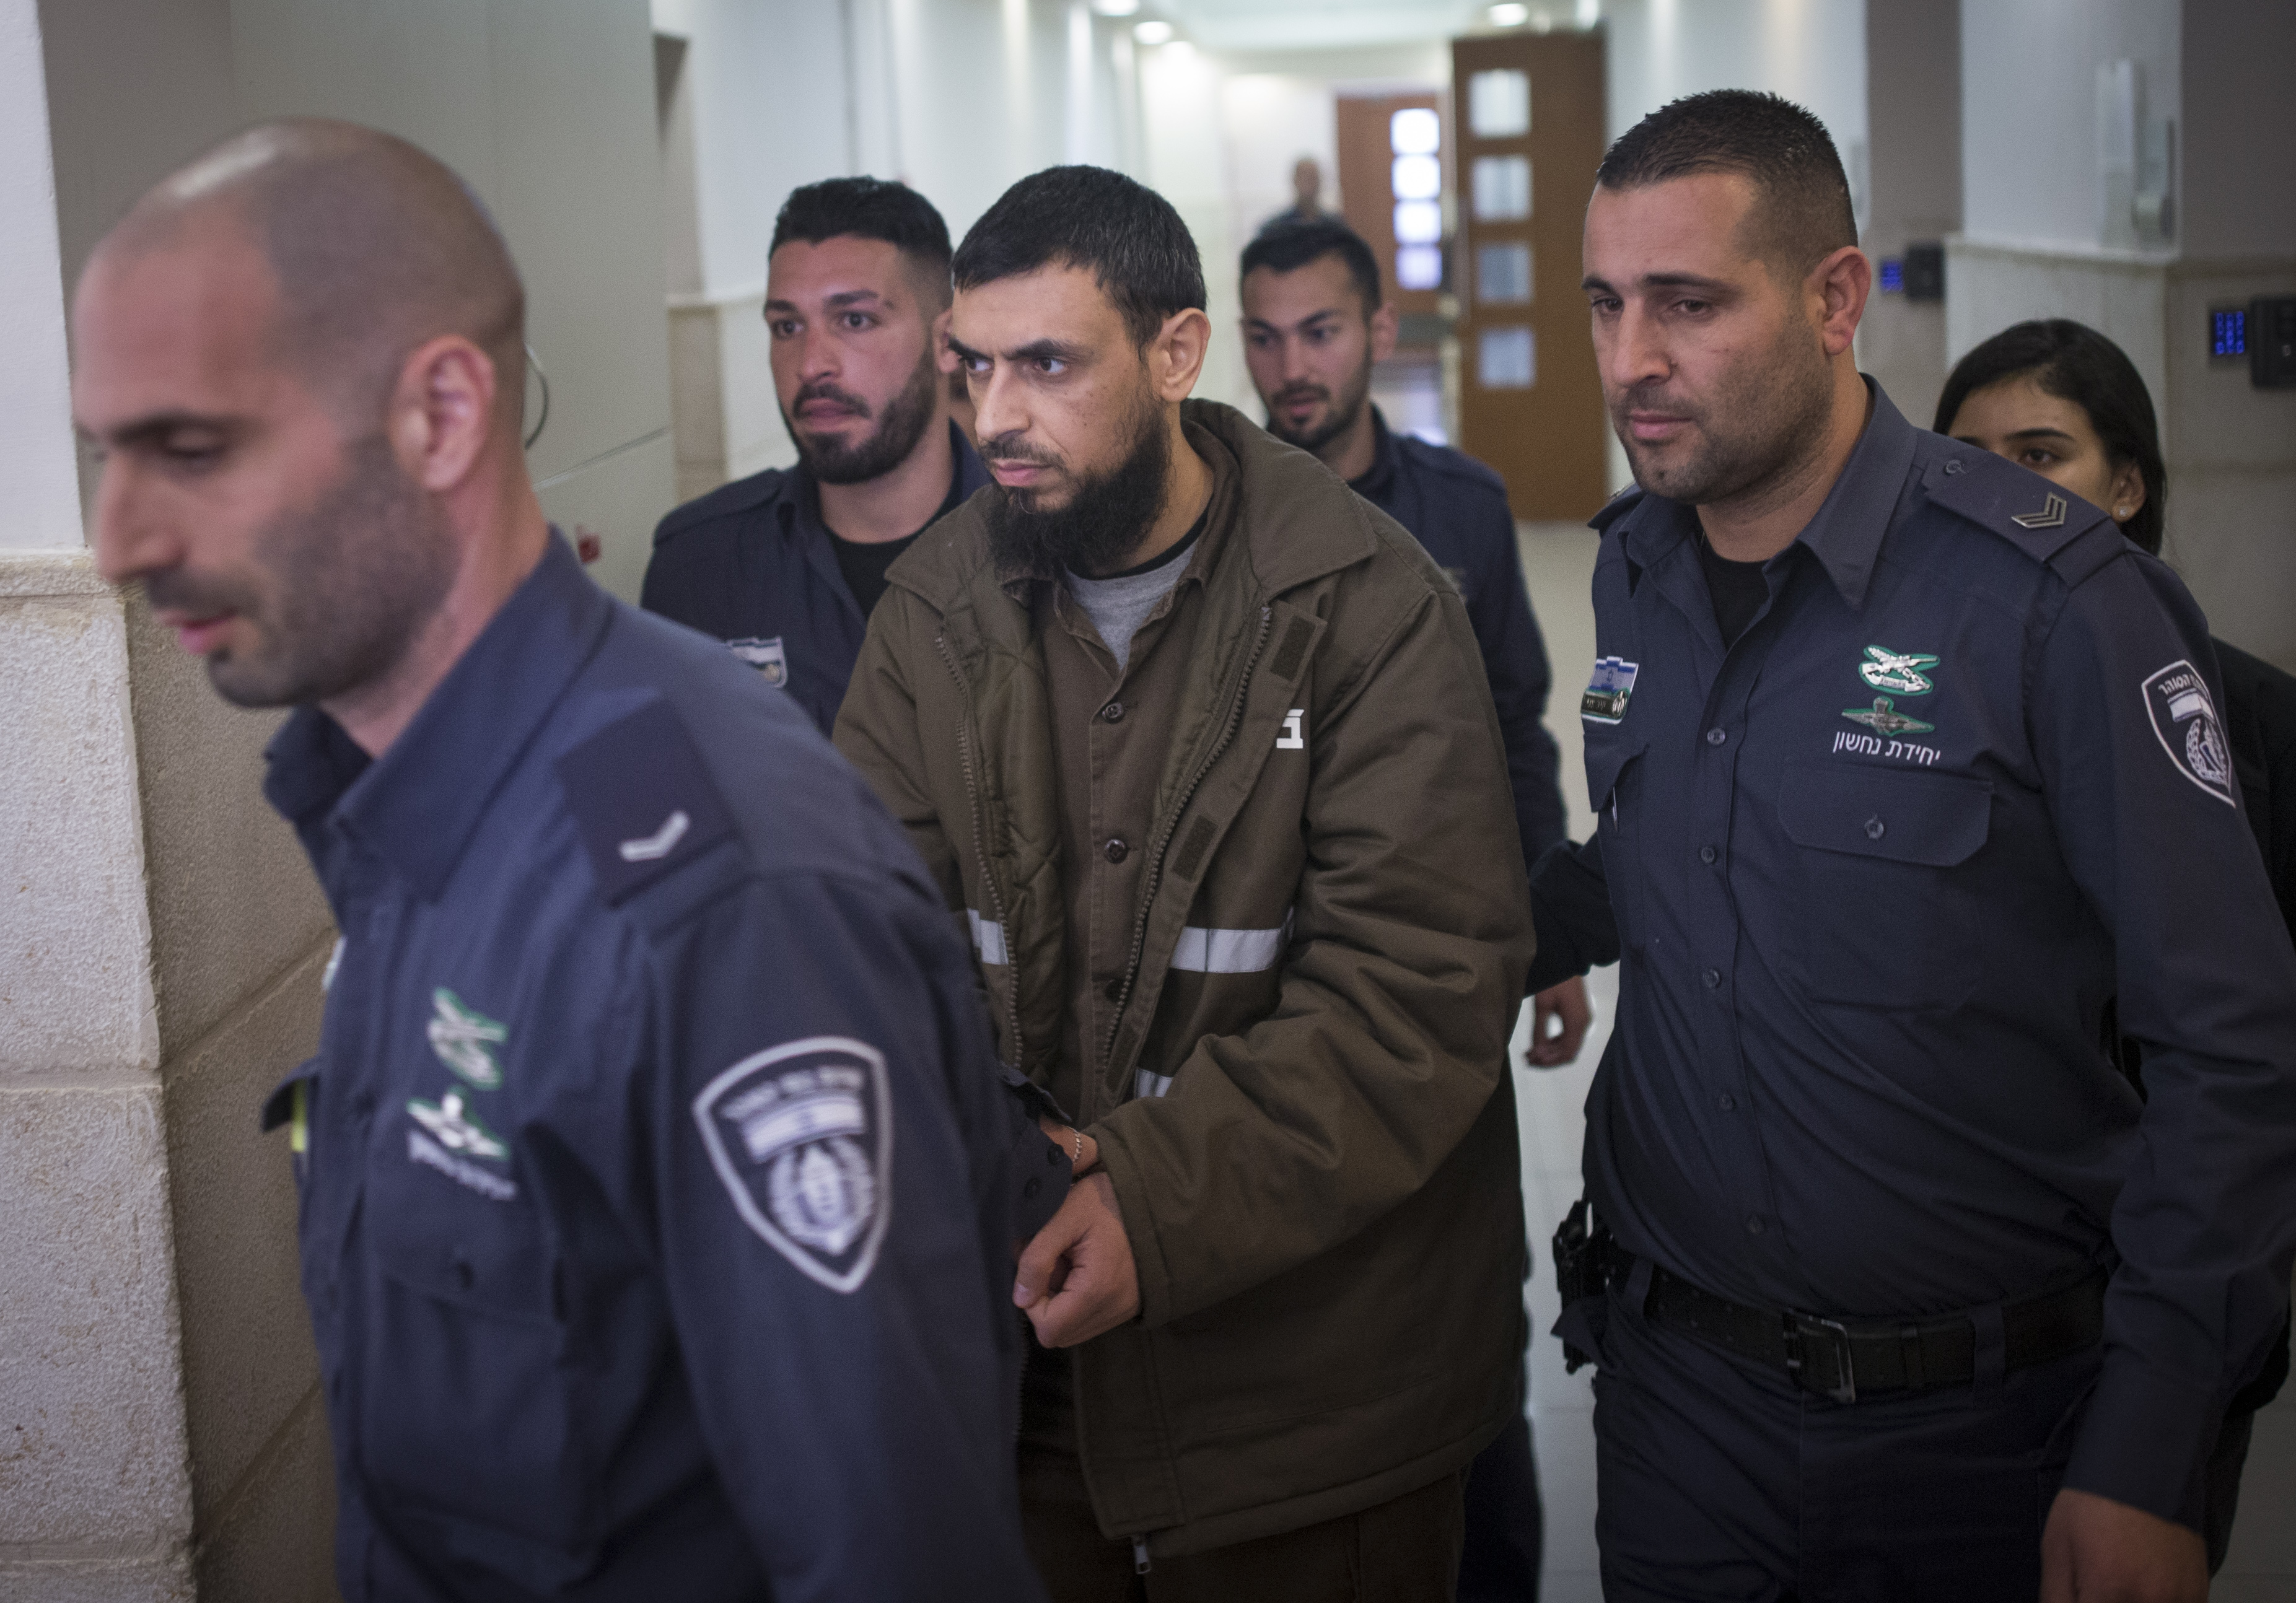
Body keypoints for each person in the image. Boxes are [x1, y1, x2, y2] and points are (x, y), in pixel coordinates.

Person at [73, 120, 1049, 1602]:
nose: (117, 540)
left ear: (442, 415)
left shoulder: (718, 898)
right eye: (109, 455)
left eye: (193, 450)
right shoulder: (410, 810)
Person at [1527, 90, 2296, 1602]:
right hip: (1679, 1408)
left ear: (1832, 299)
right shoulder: (1634, 568)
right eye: (1603, 302)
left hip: (1983, 1431)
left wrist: (2148, 1444)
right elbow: (1653, 860)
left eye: (1687, 303)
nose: (1628, 359)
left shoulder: (2051, 606)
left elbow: (2238, 1061)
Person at [833, 164, 1533, 1599]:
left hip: (1311, 1415)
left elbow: (1417, 993)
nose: (995, 417)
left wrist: (1145, 1199)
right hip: (1030, 1388)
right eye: (974, 367)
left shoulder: (1366, 604)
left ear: (1174, 353)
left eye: (1047, 365)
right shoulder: (931, 613)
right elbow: (859, 944)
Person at [1937, 317, 2296, 1572]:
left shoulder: (2260, 728)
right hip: (1954, 1316)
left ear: (2126, 487)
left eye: (2037, 455)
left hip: (2173, 1303)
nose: (1996, 493)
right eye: (1963, 461)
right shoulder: (1899, 718)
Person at [1238, 216, 1580, 1603]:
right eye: (1265, 336)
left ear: (1378, 333)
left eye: (1319, 331)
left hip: (1436, 963)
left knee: (1456, 1302)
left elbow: (1515, 729)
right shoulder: (1219, 507)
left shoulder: (1462, 508)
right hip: (1269, 972)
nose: (1291, 366)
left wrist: (1548, 935)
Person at [643, 177, 986, 734]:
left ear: (947, 342)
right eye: (787, 327)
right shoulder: (699, 567)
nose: (810, 365)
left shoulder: (1045, 555)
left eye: (855, 320)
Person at [1257, 155, 1338, 235]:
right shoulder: (1275, 229)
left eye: (1313, 178)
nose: (1308, 184)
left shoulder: (1334, 227)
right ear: (1295, 181)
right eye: (1304, 178)